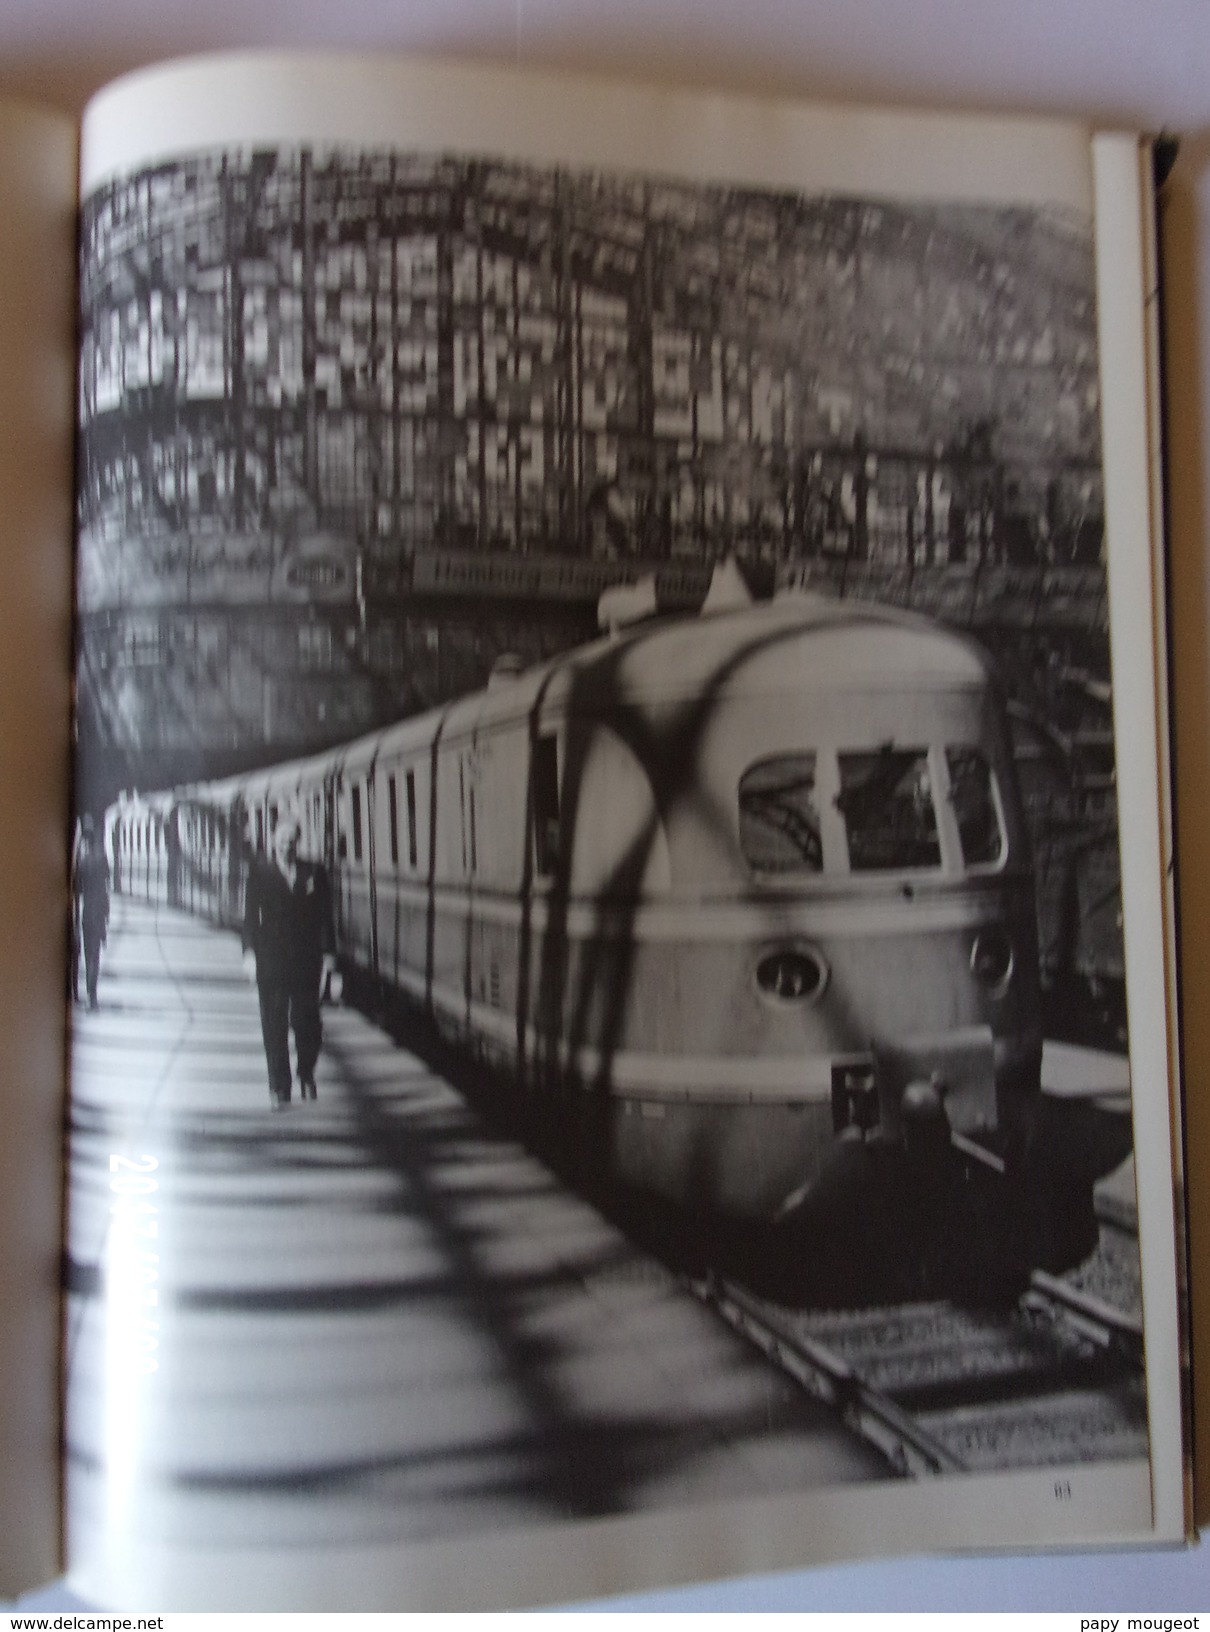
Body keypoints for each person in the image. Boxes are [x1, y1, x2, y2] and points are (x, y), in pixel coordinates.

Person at [242, 810, 335, 1110]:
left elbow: (326, 919)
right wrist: (248, 953)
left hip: (306, 962)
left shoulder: (315, 873)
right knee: (274, 1025)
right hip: (270, 963)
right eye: (282, 841)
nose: (287, 847)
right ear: (273, 842)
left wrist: (330, 956)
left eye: (292, 841)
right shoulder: (260, 871)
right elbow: (249, 919)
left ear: (299, 843)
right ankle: (279, 1087)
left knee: (307, 1023)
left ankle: (306, 1071)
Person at [73, 815, 110, 1011]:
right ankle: (92, 995)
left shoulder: (81, 864)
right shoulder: (101, 860)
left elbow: (77, 890)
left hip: (85, 915)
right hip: (98, 916)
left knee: (85, 956)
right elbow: (106, 891)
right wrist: (106, 918)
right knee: (94, 956)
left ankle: (82, 993)